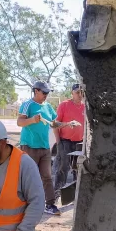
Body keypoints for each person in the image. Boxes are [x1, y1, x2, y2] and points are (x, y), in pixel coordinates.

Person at [17, 81, 81, 216]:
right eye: (44, 92)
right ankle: (22, 203)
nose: (46, 95)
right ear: (36, 91)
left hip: (44, 147)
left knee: (46, 176)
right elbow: (20, 122)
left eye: (47, 93)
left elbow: (53, 124)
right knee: (28, 176)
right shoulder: (28, 105)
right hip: (29, 146)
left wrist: (68, 124)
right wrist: (32, 120)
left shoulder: (47, 106)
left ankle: (50, 204)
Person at [53, 84, 85, 193]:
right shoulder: (64, 105)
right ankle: (57, 193)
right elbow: (54, 124)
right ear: (72, 93)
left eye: (81, 92)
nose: (80, 95)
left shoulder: (85, 107)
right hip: (65, 142)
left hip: (80, 143)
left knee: (78, 168)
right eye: (77, 92)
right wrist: (58, 142)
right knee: (63, 168)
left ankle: (76, 194)